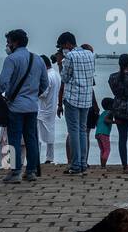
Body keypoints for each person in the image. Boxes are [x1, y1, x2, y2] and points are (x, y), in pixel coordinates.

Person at [0, 29, 48, 185]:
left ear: (15, 42)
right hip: (32, 106)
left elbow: (3, 82)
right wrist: (33, 94)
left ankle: (16, 172)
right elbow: (45, 83)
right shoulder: (37, 59)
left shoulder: (11, 59)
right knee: (31, 139)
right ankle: (30, 171)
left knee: (14, 140)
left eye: (8, 42)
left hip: (15, 107)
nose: (7, 45)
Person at [56, 31, 95, 174]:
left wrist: (60, 63)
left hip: (72, 97)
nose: (62, 49)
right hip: (86, 97)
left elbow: (64, 78)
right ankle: (83, 162)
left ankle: (76, 164)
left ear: (67, 44)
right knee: (83, 130)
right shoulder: (90, 54)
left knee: (73, 131)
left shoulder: (70, 56)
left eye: (62, 46)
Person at [37, 55, 60, 164]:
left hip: (42, 109)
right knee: (51, 132)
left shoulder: (47, 76)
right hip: (52, 107)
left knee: (38, 136)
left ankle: (36, 156)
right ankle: (50, 157)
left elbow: (43, 94)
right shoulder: (56, 74)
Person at [95, 97, 114, 169]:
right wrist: (115, 122)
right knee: (107, 150)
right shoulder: (110, 112)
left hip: (98, 133)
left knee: (102, 150)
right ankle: (103, 166)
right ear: (110, 106)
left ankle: (102, 165)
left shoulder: (102, 113)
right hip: (104, 134)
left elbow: (97, 123)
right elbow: (106, 120)